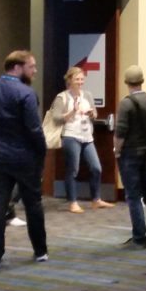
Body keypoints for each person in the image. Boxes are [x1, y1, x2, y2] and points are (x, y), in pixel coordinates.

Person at [0, 51, 48, 271]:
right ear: (17, 67)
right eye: (32, 67)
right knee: (33, 204)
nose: (35, 71)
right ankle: (40, 251)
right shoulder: (26, 93)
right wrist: (42, 153)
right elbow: (34, 129)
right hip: (24, 157)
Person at [113, 65, 146, 249]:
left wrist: (116, 151)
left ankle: (139, 236)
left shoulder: (126, 104)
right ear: (142, 81)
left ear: (127, 82)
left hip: (130, 154)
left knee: (133, 196)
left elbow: (120, 133)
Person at [52, 66, 113, 212]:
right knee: (73, 169)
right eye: (77, 79)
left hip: (87, 136)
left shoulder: (88, 95)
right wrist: (72, 111)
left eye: (81, 79)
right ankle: (73, 202)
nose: (80, 82)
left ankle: (96, 199)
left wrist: (92, 113)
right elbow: (56, 118)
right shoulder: (62, 97)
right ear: (70, 80)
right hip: (71, 135)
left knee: (96, 167)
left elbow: (95, 114)